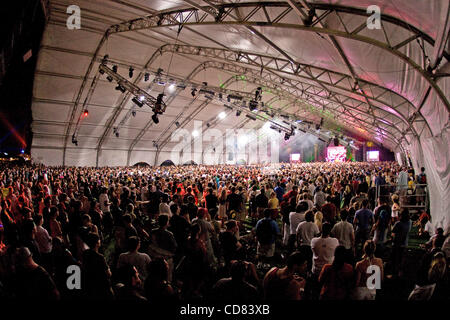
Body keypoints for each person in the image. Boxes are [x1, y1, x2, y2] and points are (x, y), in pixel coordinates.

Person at [81, 232, 114, 300]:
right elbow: (108, 274)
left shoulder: (85, 254)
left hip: (90, 286)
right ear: (97, 243)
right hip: (102, 287)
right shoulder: (100, 257)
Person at [389, 208, 411, 279]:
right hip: (405, 244)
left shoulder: (398, 223)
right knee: (401, 261)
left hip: (396, 245)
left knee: (394, 261)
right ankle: (400, 277)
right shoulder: (410, 222)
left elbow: (392, 235)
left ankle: (393, 276)